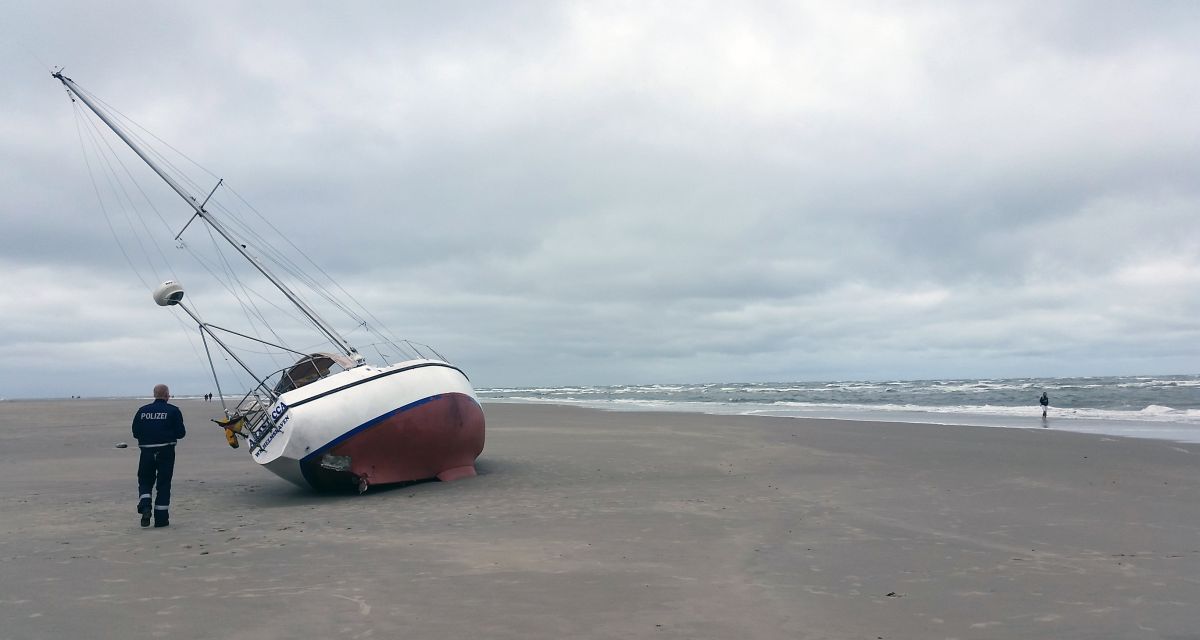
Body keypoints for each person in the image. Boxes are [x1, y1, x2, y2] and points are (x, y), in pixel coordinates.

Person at [132, 384, 186, 527]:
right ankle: (161, 519)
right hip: (166, 451)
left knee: (144, 480)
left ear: (154, 394)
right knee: (163, 483)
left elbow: (135, 432)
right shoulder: (173, 411)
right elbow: (181, 433)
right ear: (167, 395)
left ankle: (145, 505)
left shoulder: (142, 411)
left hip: (146, 451)